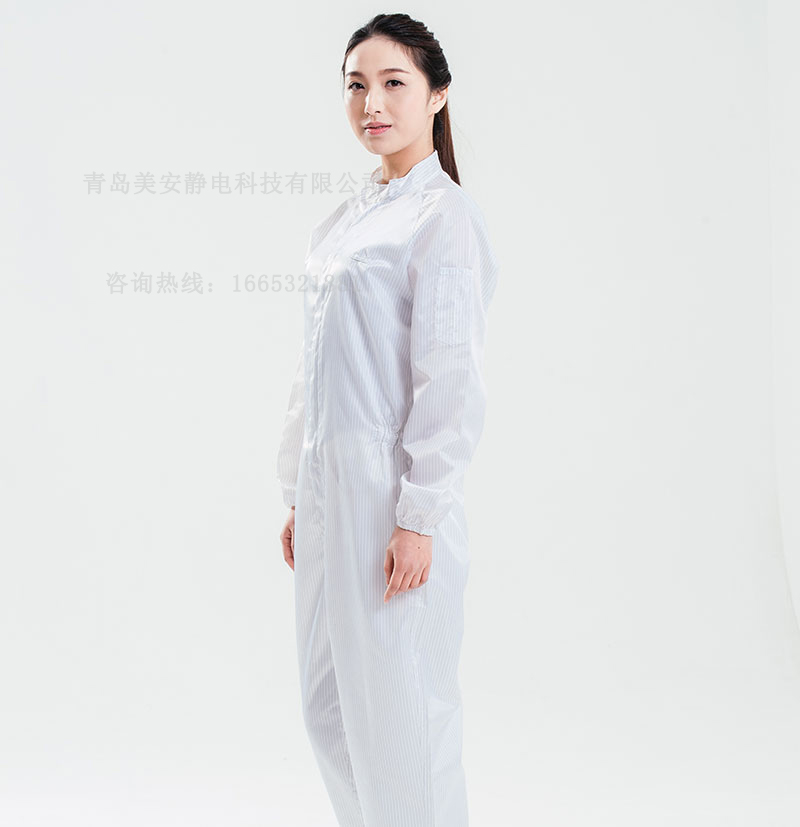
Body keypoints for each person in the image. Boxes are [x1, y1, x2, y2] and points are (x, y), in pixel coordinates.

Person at [276, 13, 499, 827]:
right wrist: (298, 489)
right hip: (328, 492)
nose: (371, 103)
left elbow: (449, 378)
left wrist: (418, 514)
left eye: (393, 83)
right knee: (329, 708)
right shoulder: (347, 219)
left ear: (437, 95)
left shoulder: (443, 218)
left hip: (389, 499)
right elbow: (315, 367)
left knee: (403, 719)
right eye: (356, 85)